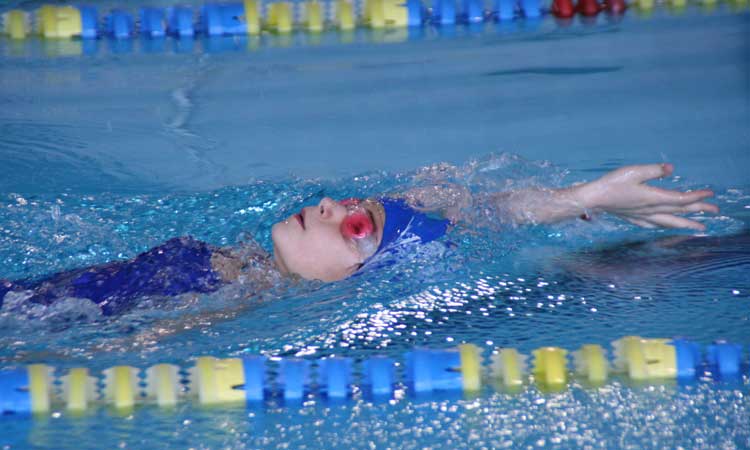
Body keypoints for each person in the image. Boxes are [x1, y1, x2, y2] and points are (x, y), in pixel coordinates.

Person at [0, 163, 718, 317]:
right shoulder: (232, 270)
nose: (324, 205)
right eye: (347, 207)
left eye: (354, 227)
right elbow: (479, 213)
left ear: (355, 280)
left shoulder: (218, 300)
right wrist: (583, 199)